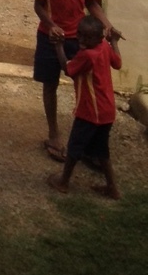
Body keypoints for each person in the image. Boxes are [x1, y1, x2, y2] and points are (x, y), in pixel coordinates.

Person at [30, 0, 109, 161]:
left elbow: (92, 4)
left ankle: (85, 136)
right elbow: (38, 6)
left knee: (86, 86)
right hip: (49, 37)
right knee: (50, 83)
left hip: (80, 38)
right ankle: (54, 133)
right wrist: (51, 25)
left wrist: (107, 24)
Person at [48, 13, 123, 199]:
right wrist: (113, 41)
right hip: (107, 111)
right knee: (101, 150)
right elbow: (118, 63)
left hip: (90, 112)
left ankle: (63, 181)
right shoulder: (103, 47)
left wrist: (58, 46)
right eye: (80, 34)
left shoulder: (87, 55)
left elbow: (68, 69)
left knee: (74, 147)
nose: (81, 39)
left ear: (98, 37)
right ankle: (112, 187)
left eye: (87, 37)